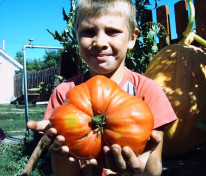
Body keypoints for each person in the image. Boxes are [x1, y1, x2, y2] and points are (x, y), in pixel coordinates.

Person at [27, 0, 177, 175]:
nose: (99, 42)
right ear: (76, 36)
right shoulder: (63, 92)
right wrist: (59, 153)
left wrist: (142, 169)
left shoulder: (149, 91)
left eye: (112, 32)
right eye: (88, 32)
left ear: (132, 38)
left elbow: (155, 167)